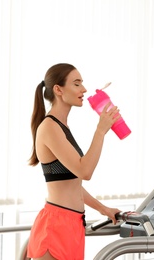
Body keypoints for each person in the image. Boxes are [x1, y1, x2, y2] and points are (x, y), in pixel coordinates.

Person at [27, 63, 121, 260]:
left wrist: (104, 209)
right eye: (77, 84)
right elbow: (84, 172)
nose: (84, 89)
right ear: (58, 89)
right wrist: (100, 130)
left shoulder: (62, 127)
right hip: (55, 228)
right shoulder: (50, 127)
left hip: (71, 225)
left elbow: (72, 184)